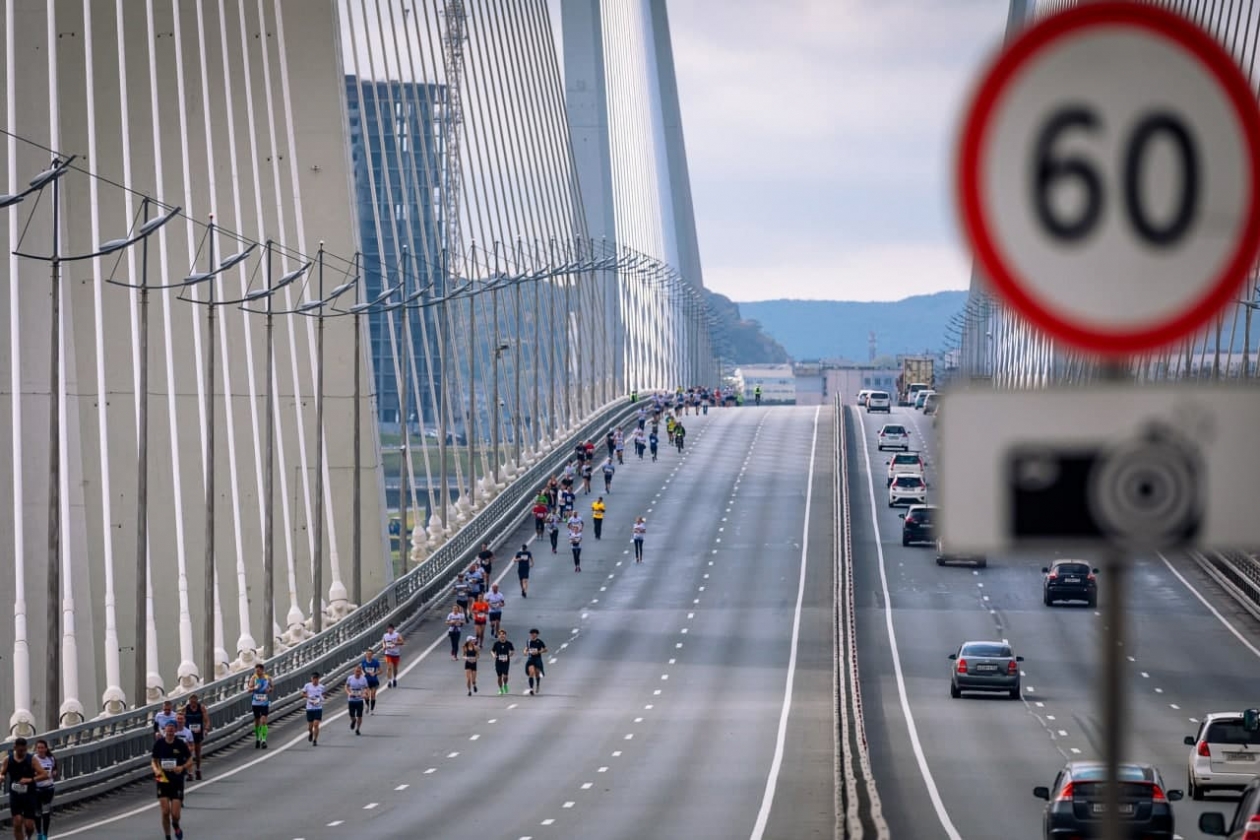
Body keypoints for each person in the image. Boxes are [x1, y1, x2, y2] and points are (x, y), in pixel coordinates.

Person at [151, 722, 192, 840]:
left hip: (176, 781)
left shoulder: (180, 744)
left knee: (175, 814)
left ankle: (176, 825)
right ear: (165, 731)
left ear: (175, 731)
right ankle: (167, 836)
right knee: (165, 812)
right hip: (162, 779)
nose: (169, 733)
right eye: (167, 731)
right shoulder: (159, 744)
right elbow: (154, 760)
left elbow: (190, 760)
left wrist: (182, 767)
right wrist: (156, 770)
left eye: (171, 731)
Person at [3, 737, 48, 840]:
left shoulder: (31, 759)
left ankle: (28, 836)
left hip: (29, 795)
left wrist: (30, 779)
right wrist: (1, 776)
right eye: (20, 750)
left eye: (24, 750)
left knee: (29, 825)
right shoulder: (8, 760)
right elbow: (2, 773)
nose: (22, 752)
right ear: (15, 748)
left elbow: (44, 774)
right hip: (15, 794)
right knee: (17, 821)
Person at [181, 694, 209, 780]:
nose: (193, 703)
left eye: (194, 702)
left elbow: (206, 720)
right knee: (188, 753)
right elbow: (180, 718)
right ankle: (190, 773)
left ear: (197, 701)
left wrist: (206, 729)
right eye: (191, 702)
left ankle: (198, 770)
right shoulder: (185, 708)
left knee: (197, 753)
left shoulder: (201, 708)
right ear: (189, 701)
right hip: (188, 734)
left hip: (198, 733)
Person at [32, 739, 56, 840]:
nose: (40, 750)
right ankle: (39, 833)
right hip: (37, 789)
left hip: (48, 788)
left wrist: (54, 773)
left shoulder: (51, 758)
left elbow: (55, 769)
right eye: (38, 748)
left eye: (42, 748)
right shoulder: (33, 759)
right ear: (36, 749)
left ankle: (45, 835)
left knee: (46, 812)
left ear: (46, 749)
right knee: (37, 813)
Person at [248, 663, 273, 748]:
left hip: (264, 702)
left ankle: (263, 740)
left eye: (258, 671)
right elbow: (249, 689)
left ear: (262, 670)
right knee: (257, 722)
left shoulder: (267, 678)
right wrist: (254, 688)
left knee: (263, 720)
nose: (257, 673)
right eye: (256, 671)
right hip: (255, 703)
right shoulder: (253, 678)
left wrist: (269, 690)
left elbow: (272, 687)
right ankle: (258, 738)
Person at [302, 671, 329, 746]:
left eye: (316, 679)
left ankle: (315, 740)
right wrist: (308, 697)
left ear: (318, 679)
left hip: (318, 708)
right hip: (310, 708)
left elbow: (324, 695)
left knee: (316, 725)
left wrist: (322, 698)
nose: (315, 680)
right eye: (313, 678)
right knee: (310, 726)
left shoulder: (321, 687)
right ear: (311, 679)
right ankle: (311, 733)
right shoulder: (307, 686)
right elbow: (303, 693)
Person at [346, 665, 369, 735]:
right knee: (351, 715)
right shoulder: (350, 678)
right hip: (351, 700)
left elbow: (366, 687)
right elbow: (346, 687)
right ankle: (353, 721)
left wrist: (365, 693)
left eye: (359, 671)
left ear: (361, 672)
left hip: (359, 700)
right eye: (356, 671)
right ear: (354, 671)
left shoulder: (363, 679)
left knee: (359, 715)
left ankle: (358, 729)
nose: (357, 673)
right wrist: (349, 693)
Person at [491, 629, 515, 695]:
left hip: (506, 661)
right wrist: (494, 655)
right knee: (499, 677)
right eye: (500, 635)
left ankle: (505, 685)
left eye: (503, 634)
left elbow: (512, 651)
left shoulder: (509, 643)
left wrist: (509, 655)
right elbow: (492, 651)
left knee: (505, 676)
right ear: (498, 636)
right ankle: (501, 689)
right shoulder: (496, 644)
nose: (502, 636)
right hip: (498, 661)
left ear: (505, 635)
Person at [524, 629, 548, 696]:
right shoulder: (528, 641)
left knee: (537, 673)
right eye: (532, 633)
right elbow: (526, 648)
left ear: (537, 634)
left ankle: (537, 684)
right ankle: (531, 689)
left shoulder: (539, 641)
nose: (533, 635)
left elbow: (545, 649)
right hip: (530, 659)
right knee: (531, 673)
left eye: (534, 633)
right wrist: (525, 651)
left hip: (537, 659)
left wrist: (538, 652)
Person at [381, 623, 405, 688]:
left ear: (393, 629)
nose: (389, 630)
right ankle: (389, 681)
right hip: (388, 653)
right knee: (389, 667)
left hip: (396, 653)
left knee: (395, 668)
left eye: (391, 629)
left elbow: (402, 642)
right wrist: (384, 646)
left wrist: (395, 643)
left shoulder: (397, 635)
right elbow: (383, 642)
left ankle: (394, 679)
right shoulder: (385, 635)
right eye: (388, 629)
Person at [361, 648, 383, 714]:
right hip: (366, 681)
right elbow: (361, 669)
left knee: (373, 695)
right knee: (366, 695)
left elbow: (380, 671)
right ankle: (367, 706)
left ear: (372, 655)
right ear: (366, 655)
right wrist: (363, 673)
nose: (368, 655)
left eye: (370, 654)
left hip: (374, 681)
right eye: (367, 654)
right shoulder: (363, 662)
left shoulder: (375, 662)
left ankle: (372, 710)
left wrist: (375, 673)